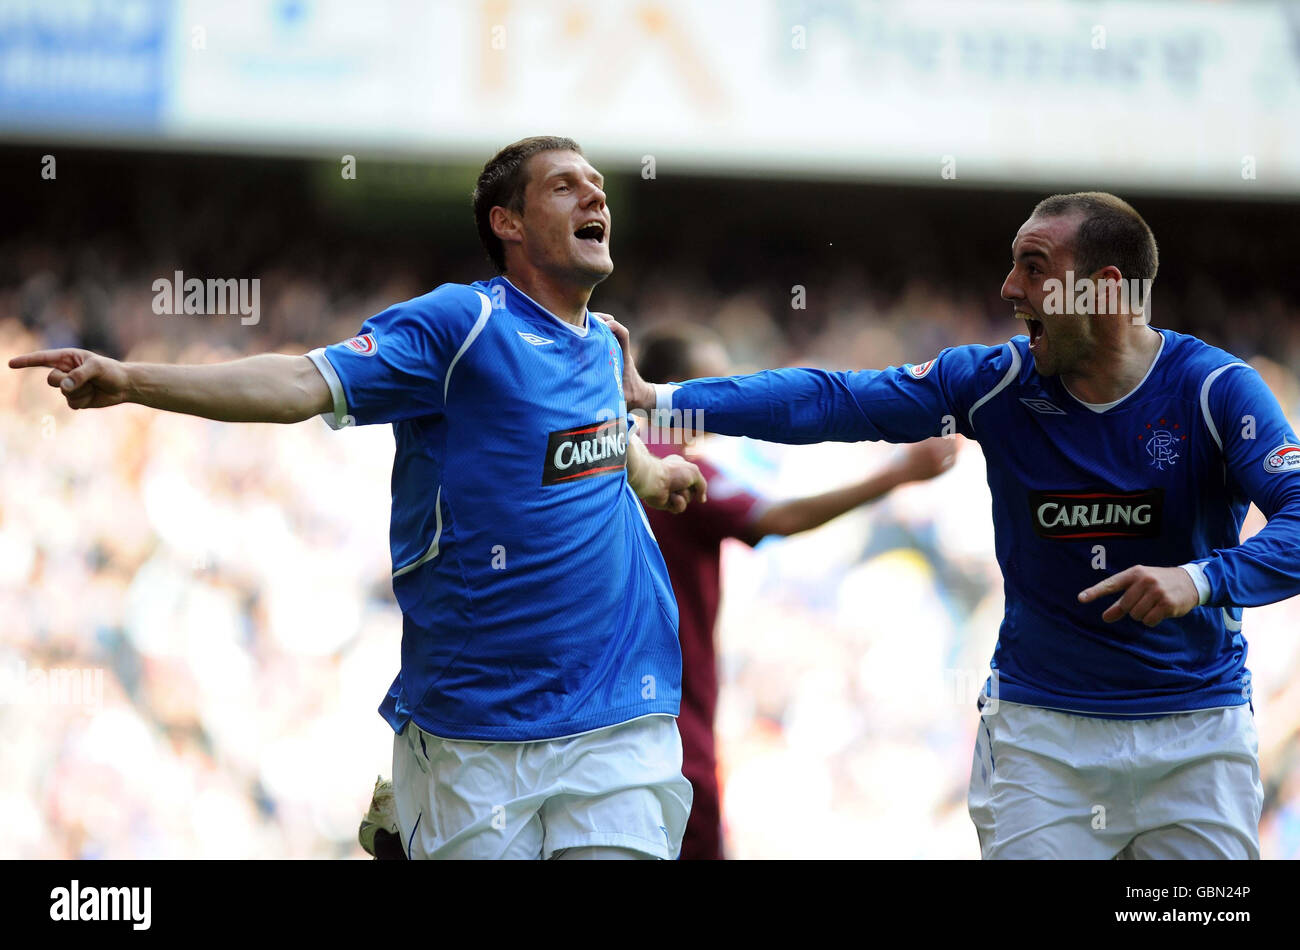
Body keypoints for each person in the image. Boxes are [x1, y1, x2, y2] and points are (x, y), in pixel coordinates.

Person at [11, 135, 708, 861]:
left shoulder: (602, 345)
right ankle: (410, 812)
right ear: (508, 224)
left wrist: (653, 476)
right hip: (478, 720)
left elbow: (598, 436)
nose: (595, 196)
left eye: (597, 185)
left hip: (621, 708)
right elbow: (298, 385)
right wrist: (130, 381)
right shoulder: (460, 325)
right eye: (565, 187)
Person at [606, 192, 1300, 859]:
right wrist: (661, 401)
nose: (1007, 288)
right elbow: (834, 400)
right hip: (1042, 736)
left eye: (1033, 266)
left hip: (1197, 731)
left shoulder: (1216, 391)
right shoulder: (994, 384)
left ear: (1104, 288)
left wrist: (1203, 579)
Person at [633, 322, 959, 859]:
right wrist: (894, 474)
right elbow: (777, 517)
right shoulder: (677, 468)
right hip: (672, 717)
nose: (725, 405)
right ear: (676, 387)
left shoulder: (601, 456)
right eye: (713, 387)